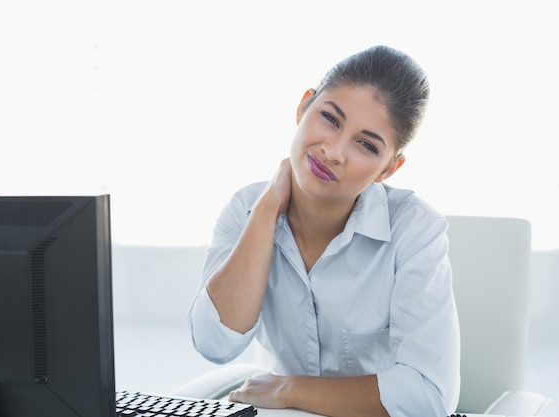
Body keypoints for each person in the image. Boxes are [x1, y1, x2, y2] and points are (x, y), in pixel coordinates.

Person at [188, 45, 460, 417]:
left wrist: (289, 388)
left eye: (366, 144)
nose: (333, 151)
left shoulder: (415, 230)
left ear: (388, 169)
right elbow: (214, 341)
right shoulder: (247, 209)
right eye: (330, 119)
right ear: (303, 108)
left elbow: (428, 397)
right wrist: (268, 208)